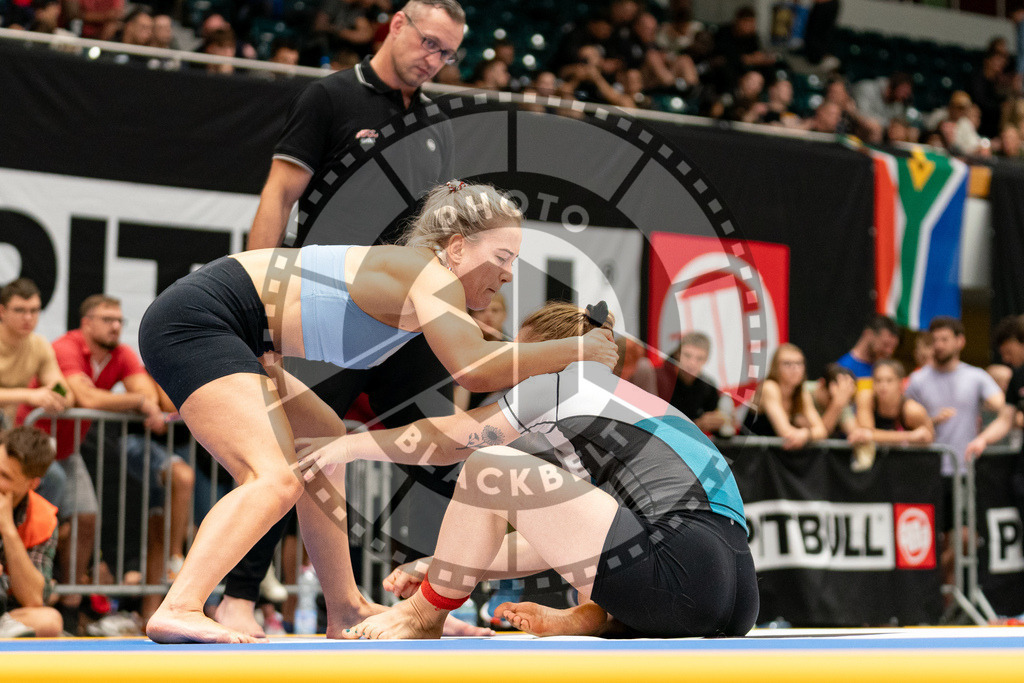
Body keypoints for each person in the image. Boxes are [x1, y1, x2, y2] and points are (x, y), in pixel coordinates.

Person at [138, 182, 619, 644]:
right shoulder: (428, 276)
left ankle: (345, 605)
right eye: (502, 257)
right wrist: (577, 349)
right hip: (199, 321)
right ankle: (180, 605)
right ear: (455, 248)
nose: (510, 273)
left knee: (324, 440)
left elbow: (478, 363)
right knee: (273, 478)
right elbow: (473, 369)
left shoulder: (430, 285)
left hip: (241, 333)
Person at [297, 301, 757, 639]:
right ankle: (587, 620)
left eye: (518, 355)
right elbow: (570, 543)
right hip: (734, 591)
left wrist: (350, 443)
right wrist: (448, 567)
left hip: (675, 563)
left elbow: (452, 441)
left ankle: (421, 617)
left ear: (546, 355)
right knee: (505, 479)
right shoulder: (628, 406)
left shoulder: (560, 381)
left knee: (488, 465)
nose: (511, 369)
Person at [225, 0, 468, 640]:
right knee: (287, 451)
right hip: (329, 311)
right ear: (396, 26)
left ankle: (436, 605)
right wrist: (261, 302)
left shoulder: (436, 124)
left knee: (448, 452)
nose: (434, 60)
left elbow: (440, 230)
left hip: (404, 317)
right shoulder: (329, 98)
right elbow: (279, 195)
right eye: (429, 43)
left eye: (447, 53)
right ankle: (237, 599)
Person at [23, 294, 193, 627]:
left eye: (119, 320)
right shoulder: (66, 347)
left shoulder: (122, 353)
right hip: (32, 448)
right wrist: (134, 401)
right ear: (86, 323)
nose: (115, 326)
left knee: (86, 518)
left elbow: (150, 397)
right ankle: (30, 597)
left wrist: (135, 400)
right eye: (107, 319)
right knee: (32, 523)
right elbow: (88, 397)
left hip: (67, 451)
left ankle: (71, 607)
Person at [0, 426, 64, 638]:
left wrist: (8, 529)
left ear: (32, 483)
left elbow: (34, 599)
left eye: (5, 476)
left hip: (6, 612)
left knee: (50, 621)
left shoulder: (43, 517)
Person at [741, 343, 827, 449]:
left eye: (799, 363)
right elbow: (786, 432)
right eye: (787, 364)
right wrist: (807, 433)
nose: (794, 368)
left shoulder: (801, 392)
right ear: (775, 367)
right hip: (750, 455)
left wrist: (805, 434)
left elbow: (822, 430)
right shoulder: (769, 387)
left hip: (774, 457)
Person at [850, 359, 934, 446]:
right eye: (878, 380)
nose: (883, 386)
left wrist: (873, 435)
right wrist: (910, 436)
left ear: (900, 383)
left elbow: (928, 437)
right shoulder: (866, 398)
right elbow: (865, 432)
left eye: (889, 380)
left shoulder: (912, 411)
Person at [658, 332, 728, 436]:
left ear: (706, 359)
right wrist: (697, 425)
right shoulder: (659, 380)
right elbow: (656, 425)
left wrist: (722, 423)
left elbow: (721, 433)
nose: (692, 364)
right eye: (687, 355)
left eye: (699, 358)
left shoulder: (707, 387)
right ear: (678, 354)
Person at [453, 291, 507, 412]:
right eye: (482, 311)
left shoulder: (514, 350)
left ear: (504, 315)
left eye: (495, 310)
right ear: (471, 316)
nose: (489, 316)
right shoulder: (459, 349)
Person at [834, 314, 900, 385]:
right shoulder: (844, 367)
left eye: (893, 347)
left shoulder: (886, 369)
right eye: (885, 344)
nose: (889, 352)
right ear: (869, 334)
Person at [806, 363, 858, 439]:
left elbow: (853, 432)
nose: (834, 402)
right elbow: (821, 433)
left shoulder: (841, 399)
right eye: (831, 398)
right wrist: (837, 403)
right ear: (821, 384)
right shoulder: (803, 392)